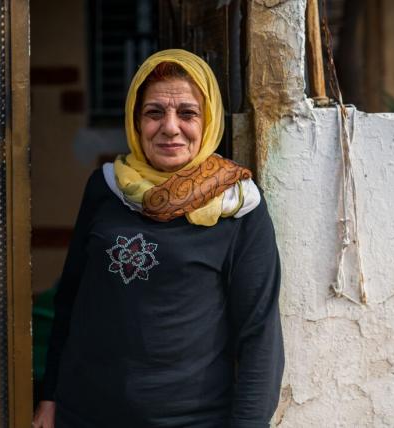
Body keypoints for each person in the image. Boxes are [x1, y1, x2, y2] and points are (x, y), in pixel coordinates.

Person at [33, 49, 284, 428]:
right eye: (154, 112)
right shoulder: (106, 188)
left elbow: (259, 335)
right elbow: (70, 302)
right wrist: (49, 398)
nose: (170, 127)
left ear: (209, 119)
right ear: (136, 121)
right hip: (84, 414)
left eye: (187, 113)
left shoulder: (238, 206)